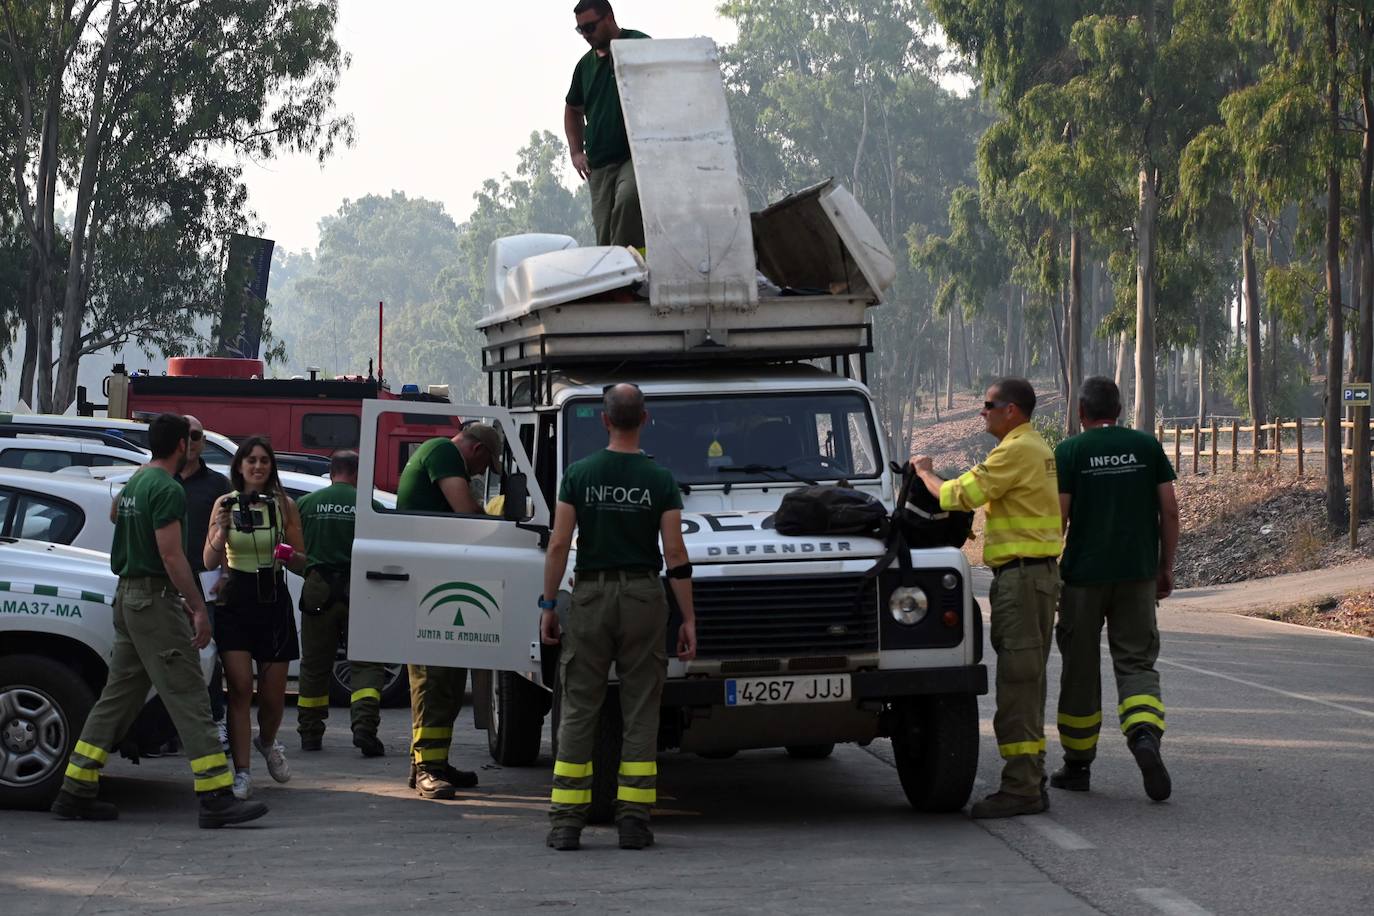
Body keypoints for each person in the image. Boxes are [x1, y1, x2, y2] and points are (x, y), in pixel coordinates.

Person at [50, 413, 267, 827]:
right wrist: (198, 607)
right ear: (182, 445)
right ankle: (216, 797)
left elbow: (116, 514)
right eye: (192, 440)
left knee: (117, 699)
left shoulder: (138, 480)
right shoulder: (167, 487)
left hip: (128, 599)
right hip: (153, 601)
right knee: (189, 694)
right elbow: (171, 556)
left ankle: (74, 790)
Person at [540, 383, 697, 852]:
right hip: (644, 597)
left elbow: (557, 544)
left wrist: (549, 605)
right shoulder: (660, 479)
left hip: (590, 597)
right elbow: (674, 552)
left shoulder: (579, 474)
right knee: (640, 710)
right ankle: (633, 822)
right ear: (644, 419)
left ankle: (567, 824)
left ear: (605, 420)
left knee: (579, 708)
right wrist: (687, 617)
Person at [909, 378, 1062, 819]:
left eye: (988, 405)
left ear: (1011, 410)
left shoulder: (1015, 450)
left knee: (1017, 684)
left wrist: (923, 470)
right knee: (1029, 682)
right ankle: (1031, 776)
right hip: (1035, 577)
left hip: (1021, 579)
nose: (982, 412)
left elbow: (959, 495)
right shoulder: (1035, 447)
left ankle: (1021, 788)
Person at [1050, 377, 1178, 802]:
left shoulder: (1070, 451)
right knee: (1137, 662)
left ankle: (1077, 765)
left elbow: (1060, 520)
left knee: (1080, 669)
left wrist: (1051, 573)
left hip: (1083, 579)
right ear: (1119, 410)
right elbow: (1170, 510)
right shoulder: (1146, 447)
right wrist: (1165, 567)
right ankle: (1144, 736)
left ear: (1081, 413)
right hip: (1137, 575)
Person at [395, 422, 503, 798]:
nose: (479, 474)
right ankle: (428, 769)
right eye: (484, 467)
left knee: (449, 679)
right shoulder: (443, 451)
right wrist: (501, 524)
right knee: (433, 678)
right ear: (477, 450)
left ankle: (430, 761)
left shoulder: (439, 453)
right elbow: (466, 512)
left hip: (439, 580)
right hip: (430, 581)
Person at [204, 437, 308, 800]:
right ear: (240, 466)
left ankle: (267, 741)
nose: (258, 467)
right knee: (239, 691)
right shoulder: (225, 503)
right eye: (251, 460)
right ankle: (243, 771)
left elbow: (303, 562)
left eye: (265, 460)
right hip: (235, 600)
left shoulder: (285, 506)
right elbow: (208, 560)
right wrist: (221, 529)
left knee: (273, 697)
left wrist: (288, 554)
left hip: (273, 599)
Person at [294, 450, 387, 757]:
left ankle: (310, 733)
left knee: (314, 665)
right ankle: (364, 728)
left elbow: (297, 555)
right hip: (358, 588)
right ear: (357, 473)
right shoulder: (369, 506)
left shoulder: (306, 505)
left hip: (318, 588)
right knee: (366, 663)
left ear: (331, 472)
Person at [565, 0, 649, 248]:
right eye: (581, 30)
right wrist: (576, 151)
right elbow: (572, 109)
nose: (586, 35)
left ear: (609, 18)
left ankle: (627, 268)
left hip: (635, 155)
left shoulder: (639, 45)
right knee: (604, 236)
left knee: (629, 200)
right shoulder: (584, 67)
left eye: (590, 27)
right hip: (599, 166)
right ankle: (614, 280)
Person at [176, 414, 231, 749]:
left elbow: (225, 533)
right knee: (168, 656)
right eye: (185, 436)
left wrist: (224, 572)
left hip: (203, 580)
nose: (190, 442)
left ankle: (216, 721)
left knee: (208, 655)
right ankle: (167, 729)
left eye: (196, 436)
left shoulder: (217, 485)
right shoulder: (159, 479)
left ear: (204, 442)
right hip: (165, 582)